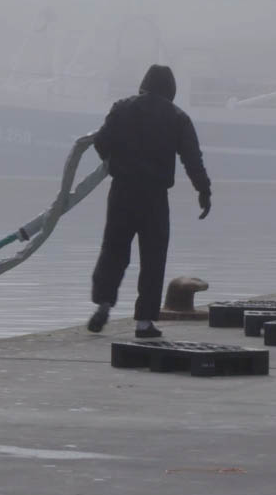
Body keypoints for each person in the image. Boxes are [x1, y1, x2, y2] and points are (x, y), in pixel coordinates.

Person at [86, 64, 212, 339]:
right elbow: (193, 160)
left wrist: (115, 158)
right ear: (171, 91)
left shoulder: (121, 108)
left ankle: (104, 304)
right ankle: (144, 323)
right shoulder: (178, 117)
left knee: (113, 250)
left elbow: (101, 142)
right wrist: (204, 191)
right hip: (154, 197)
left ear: (143, 84)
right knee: (153, 258)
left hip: (122, 191)